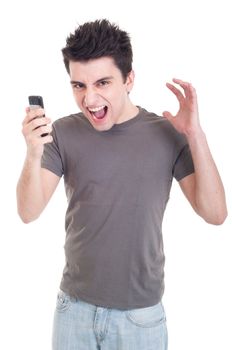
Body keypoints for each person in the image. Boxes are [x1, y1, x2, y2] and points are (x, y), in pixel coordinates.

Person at [16, 19, 227, 350]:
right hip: (73, 311)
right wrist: (32, 154)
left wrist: (195, 136)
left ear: (129, 79)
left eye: (102, 83)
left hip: (140, 318)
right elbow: (28, 212)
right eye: (79, 86)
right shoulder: (63, 133)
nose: (90, 98)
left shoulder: (167, 134)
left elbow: (215, 213)